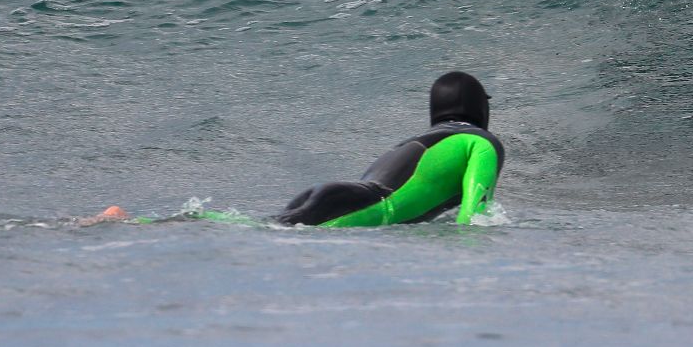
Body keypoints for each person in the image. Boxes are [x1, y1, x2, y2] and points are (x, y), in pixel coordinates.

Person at [86, 71, 504, 228]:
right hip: (358, 205)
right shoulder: (481, 143)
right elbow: (474, 211)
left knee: (260, 226)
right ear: (478, 106)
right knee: (261, 230)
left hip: (340, 193)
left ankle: (137, 221)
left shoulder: (421, 142)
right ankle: (133, 222)